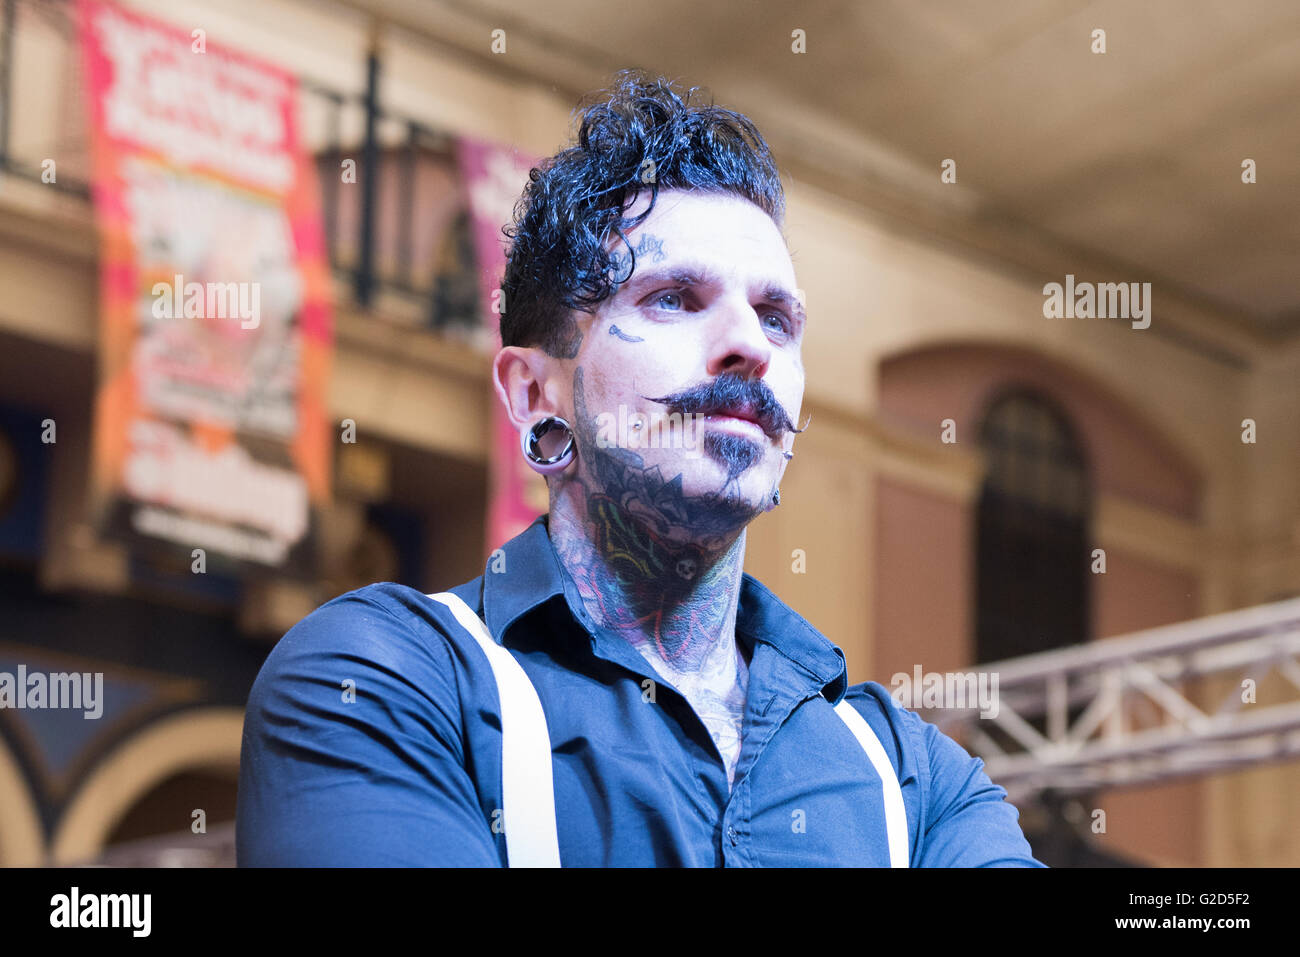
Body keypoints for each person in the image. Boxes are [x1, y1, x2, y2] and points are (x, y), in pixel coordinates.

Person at [236, 71, 1045, 867]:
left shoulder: (923, 785)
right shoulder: (383, 682)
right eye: (672, 298)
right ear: (535, 393)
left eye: (776, 317)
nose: (749, 346)